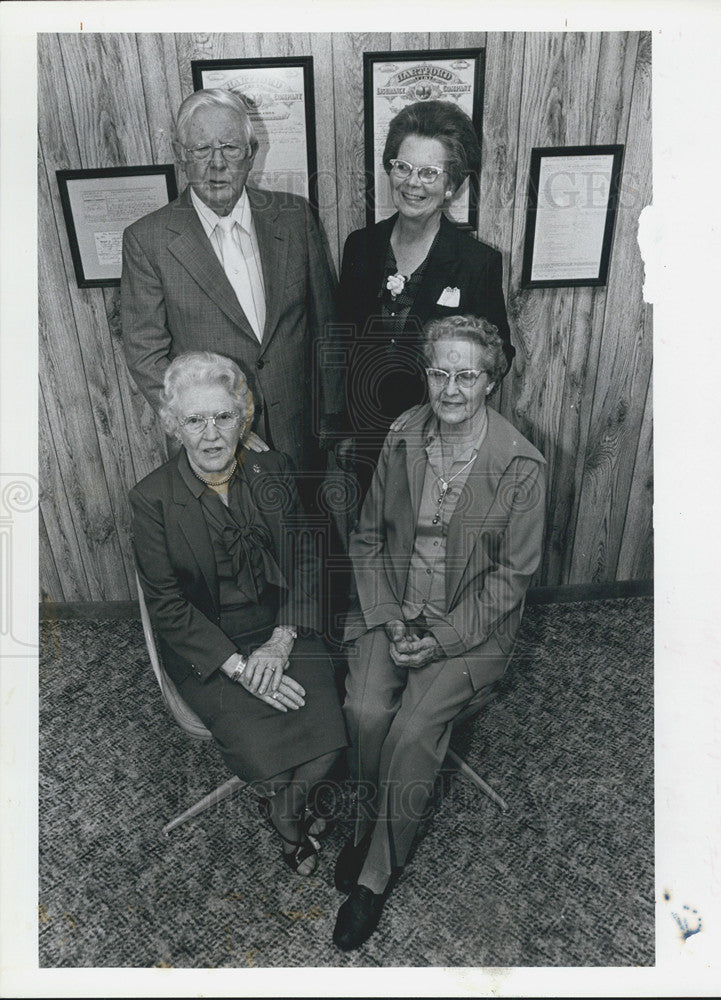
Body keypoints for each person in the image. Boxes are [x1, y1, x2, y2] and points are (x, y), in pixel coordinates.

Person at [332, 315, 546, 950]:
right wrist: (391, 616)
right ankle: (367, 818)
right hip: (393, 608)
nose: (450, 388)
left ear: (490, 381)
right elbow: (369, 536)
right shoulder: (403, 435)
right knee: (364, 707)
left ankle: (376, 870)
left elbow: (513, 576)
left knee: (412, 729)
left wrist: (443, 636)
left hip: (470, 627)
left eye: (466, 375)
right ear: (426, 374)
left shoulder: (520, 464)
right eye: (439, 372)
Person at [130, 352, 347, 875]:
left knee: (332, 736)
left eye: (223, 417)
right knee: (258, 747)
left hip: (282, 626)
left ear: (243, 419)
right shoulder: (151, 499)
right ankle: (290, 817)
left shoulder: (275, 469)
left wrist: (280, 640)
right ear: (173, 426)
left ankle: (284, 810)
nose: (210, 434)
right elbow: (167, 606)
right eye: (194, 420)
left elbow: (307, 560)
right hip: (208, 645)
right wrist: (240, 668)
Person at [122, 88, 346, 479]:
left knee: (307, 533)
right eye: (201, 149)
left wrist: (332, 416)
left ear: (251, 151)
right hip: (216, 447)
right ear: (180, 155)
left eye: (229, 147)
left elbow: (327, 325)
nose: (217, 164)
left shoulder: (295, 218)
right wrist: (213, 426)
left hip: (303, 430)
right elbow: (145, 353)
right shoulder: (148, 239)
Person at [337, 100, 515, 502]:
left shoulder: (477, 263)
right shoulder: (360, 248)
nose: (412, 183)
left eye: (429, 172)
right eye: (403, 167)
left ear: (452, 185)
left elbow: (499, 356)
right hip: (368, 442)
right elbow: (342, 344)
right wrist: (345, 429)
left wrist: (447, 411)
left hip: (442, 446)